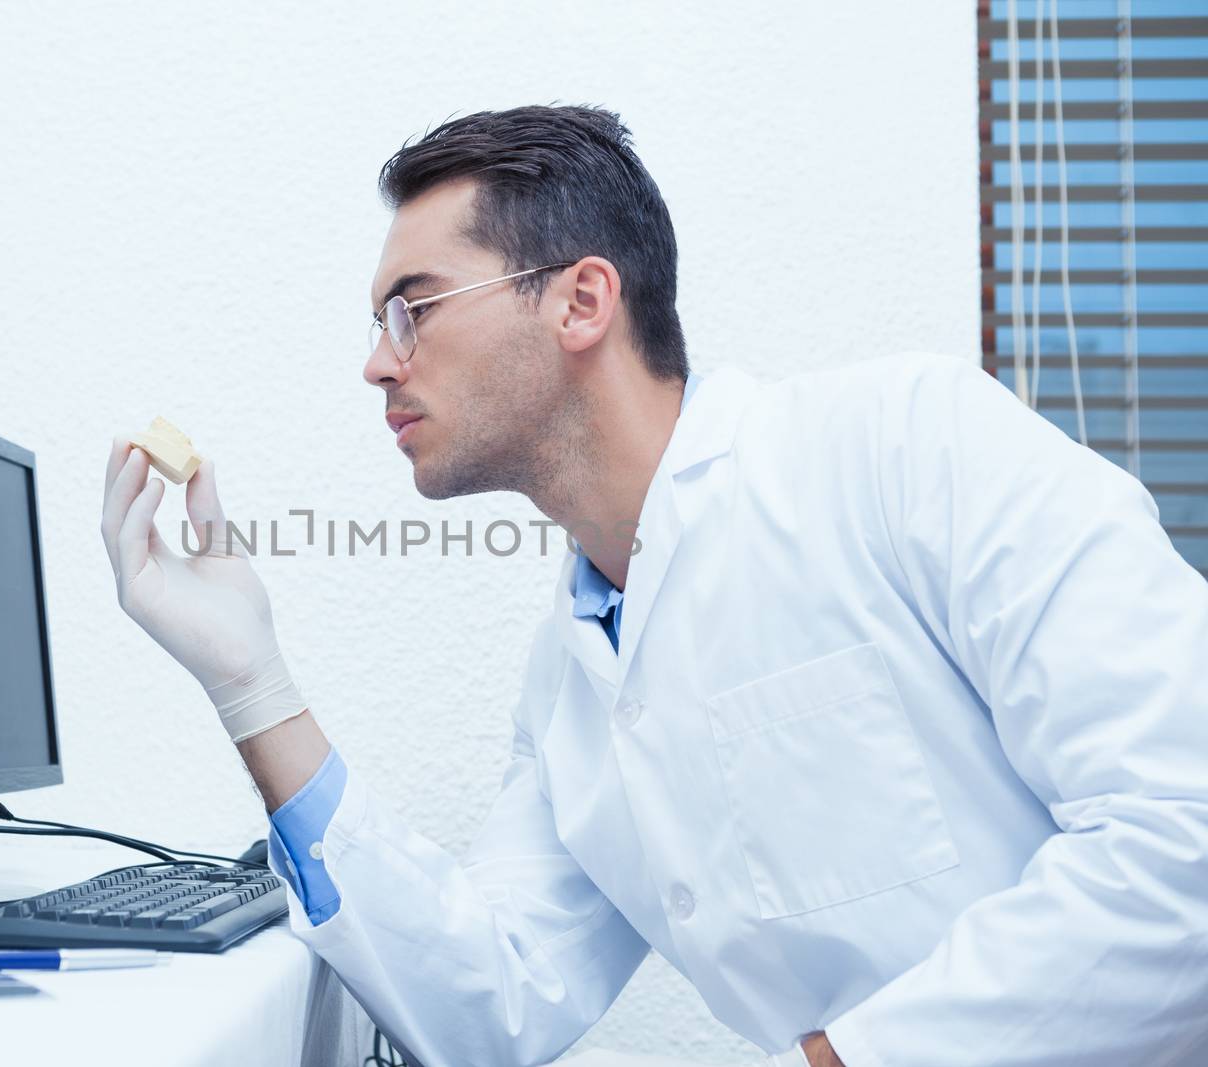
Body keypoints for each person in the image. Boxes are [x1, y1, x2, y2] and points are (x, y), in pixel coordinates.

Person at [99, 105, 1208, 1067]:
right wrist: (254, 687)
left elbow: (1185, 832)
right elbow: (492, 1001)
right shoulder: (571, 675)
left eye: (412, 306)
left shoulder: (903, 445)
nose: (378, 363)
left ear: (581, 301)